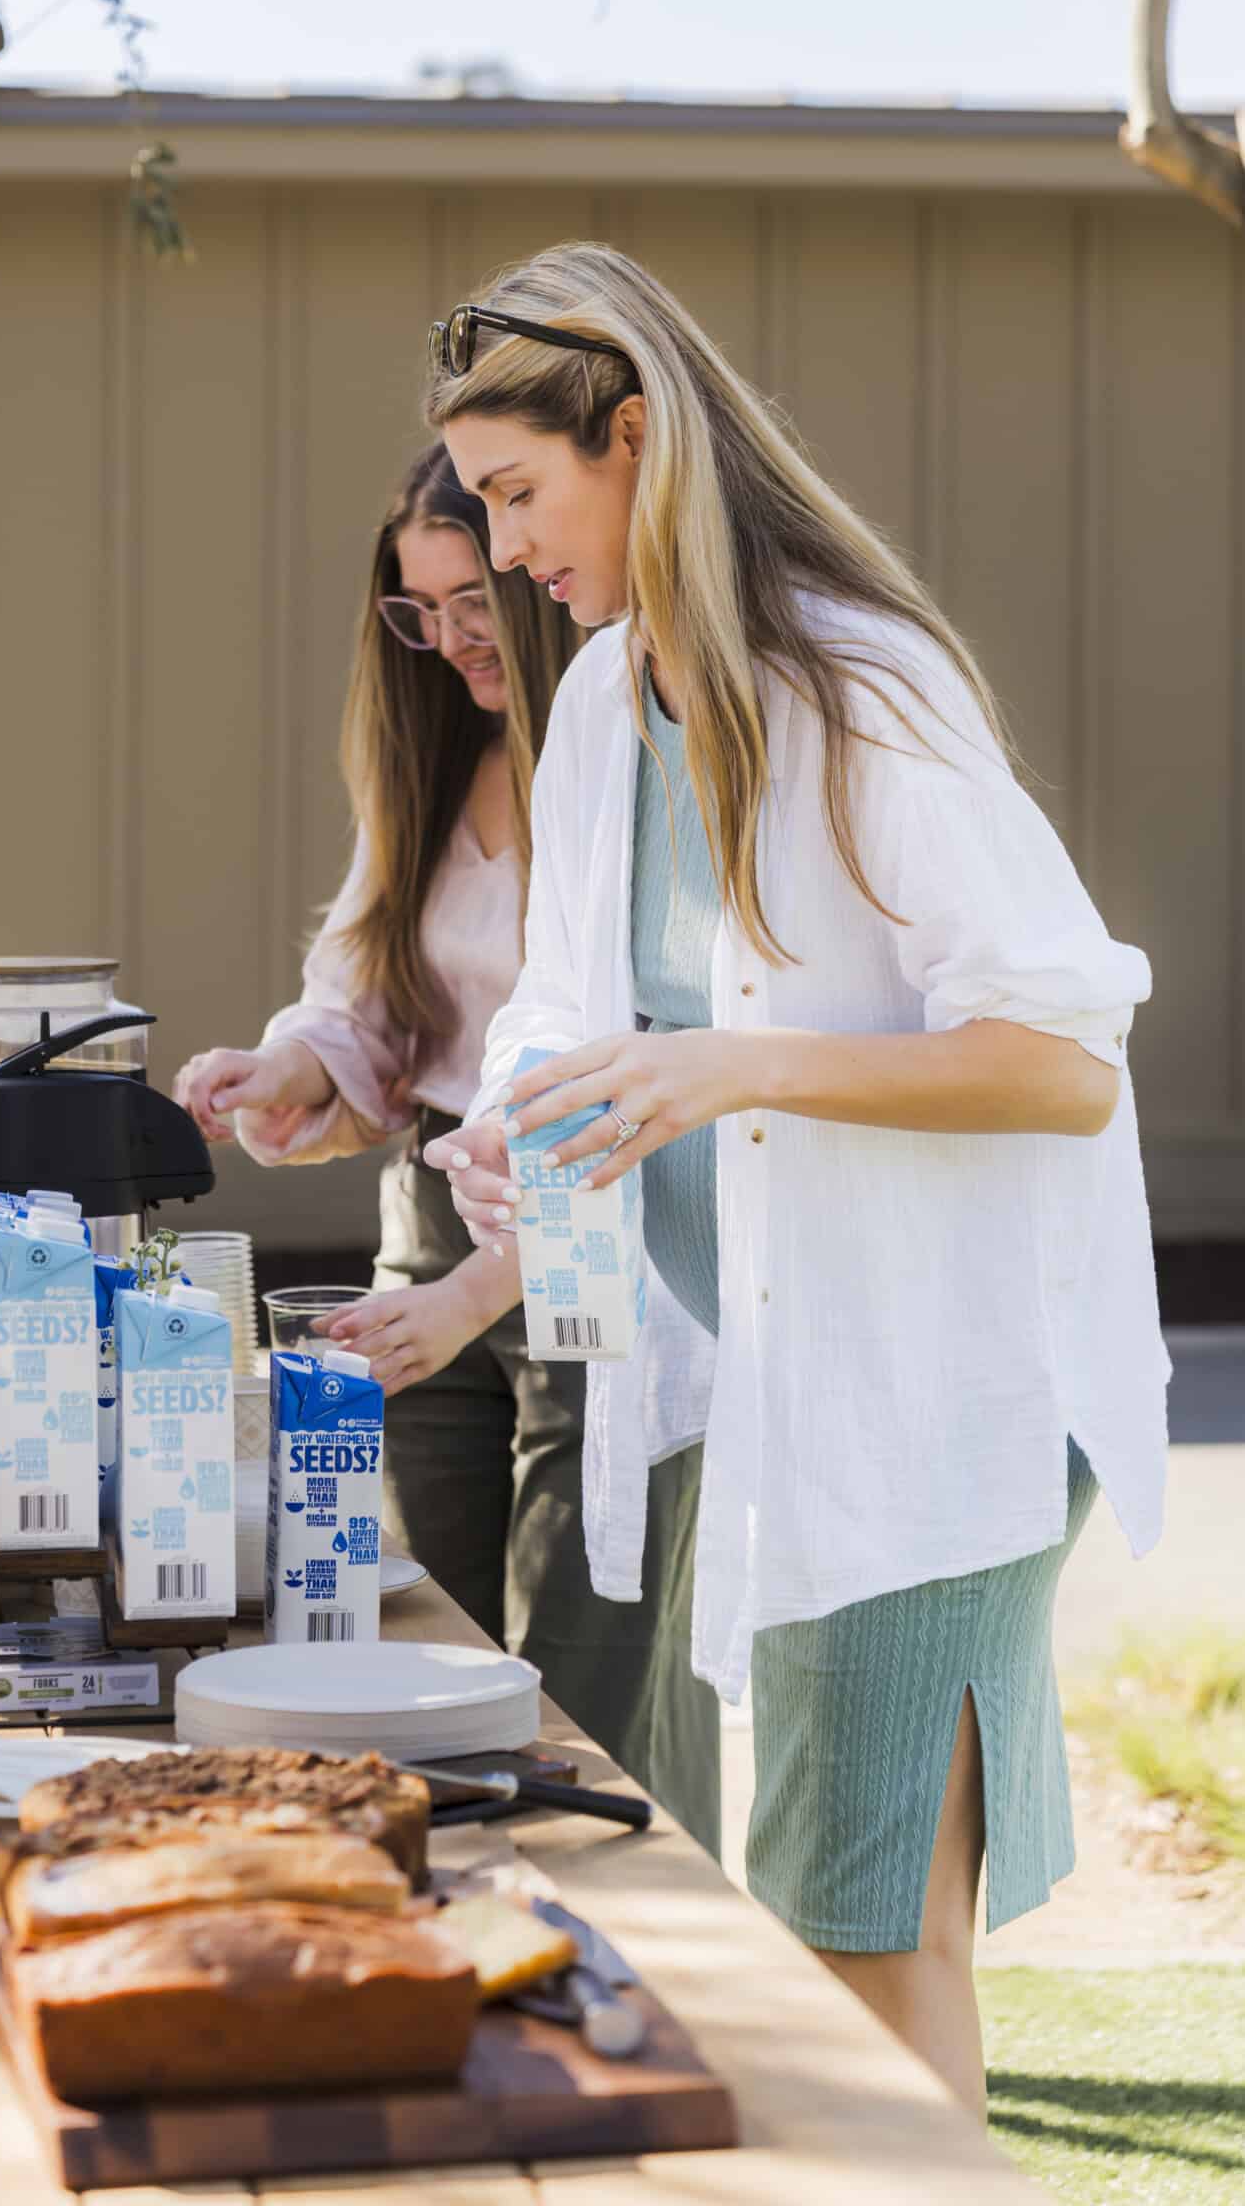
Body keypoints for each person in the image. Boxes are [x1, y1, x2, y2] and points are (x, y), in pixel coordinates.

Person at [421, 246, 1167, 2116]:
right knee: (825, 1921)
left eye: (520, 493)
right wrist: (518, 1138)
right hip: (765, 1391)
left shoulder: (858, 684)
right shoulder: (610, 700)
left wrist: (734, 1067)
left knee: (862, 1938)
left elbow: (1062, 1063)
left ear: (636, 436)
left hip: (934, 1407)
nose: (504, 551)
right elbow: (572, 1007)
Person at [175, 442, 721, 1853]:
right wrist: (287, 1065)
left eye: (473, 597)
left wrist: (489, 1283)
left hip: (600, 1237)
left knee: (592, 1678)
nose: (452, 638)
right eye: (418, 612)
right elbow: (367, 998)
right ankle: (465, 1941)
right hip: (430, 1240)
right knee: (428, 1653)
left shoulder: (638, 756)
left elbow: (641, 1051)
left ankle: (653, 1950)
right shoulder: (428, 762)